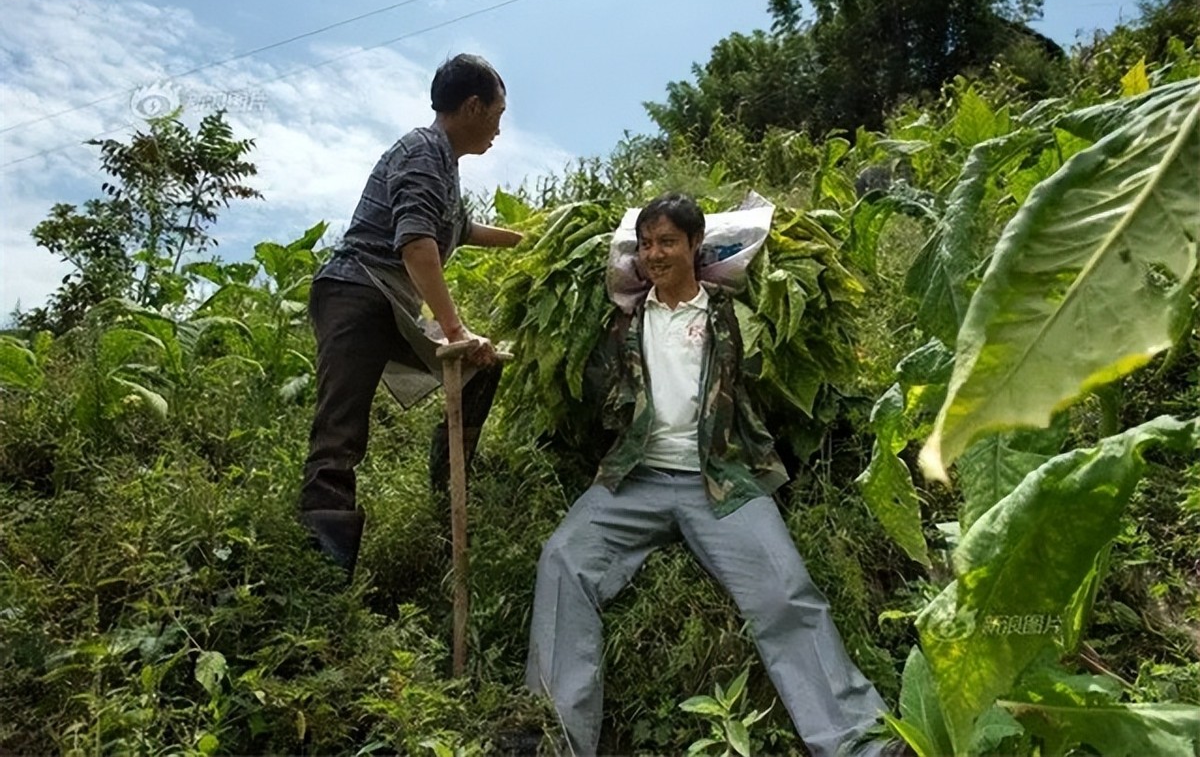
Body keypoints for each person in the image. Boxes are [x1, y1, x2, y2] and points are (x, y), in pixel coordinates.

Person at [525, 192, 894, 757]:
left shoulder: (729, 316)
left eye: (668, 242)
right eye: (646, 244)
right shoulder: (622, 321)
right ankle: (554, 739)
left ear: (697, 246)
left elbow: (772, 375)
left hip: (720, 480)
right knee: (562, 560)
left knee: (784, 591)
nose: (655, 254)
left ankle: (858, 740)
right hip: (636, 479)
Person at [299, 53, 521, 577]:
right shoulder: (422, 152)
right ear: (472, 106)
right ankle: (321, 567)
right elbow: (418, 243)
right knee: (341, 429)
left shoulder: (445, 164)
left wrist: (531, 241)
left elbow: (458, 229)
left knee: (479, 367)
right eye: (498, 113)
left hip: (388, 302)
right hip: (356, 293)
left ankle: (451, 490)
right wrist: (455, 329)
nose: (498, 127)